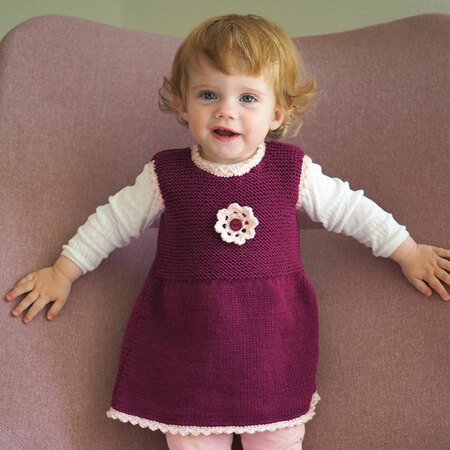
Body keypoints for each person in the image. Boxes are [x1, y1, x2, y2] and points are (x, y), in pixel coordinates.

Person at [5, 13, 450, 450]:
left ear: (277, 113)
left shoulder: (290, 172)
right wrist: (63, 271)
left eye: (248, 98)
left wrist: (407, 251)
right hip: (188, 344)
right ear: (182, 103)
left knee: (278, 438)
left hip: (271, 345)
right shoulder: (165, 176)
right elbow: (112, 222)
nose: (226, 110)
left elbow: (352, 209)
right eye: (208, 94)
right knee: (191, 439)